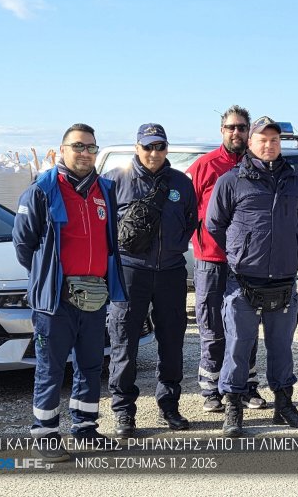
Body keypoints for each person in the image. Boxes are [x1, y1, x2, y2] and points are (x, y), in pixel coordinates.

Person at [13, 123, 127, 460]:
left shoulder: (104, 190)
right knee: (50, 369)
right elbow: (23, 244)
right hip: (56, 301)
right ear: (62, 150)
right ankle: (46, 434)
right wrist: (47, 278)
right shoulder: (42, 190)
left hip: (93, 296)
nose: (85, 153)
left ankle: (85, 427)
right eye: (78, 146)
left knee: (91, 366)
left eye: (91, 147)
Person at [207, 116, 298, 437]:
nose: (269, 145)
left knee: (281, 347)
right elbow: (214, 224)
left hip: (283, 280)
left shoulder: (295, 182)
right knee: (238, 346)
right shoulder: (231, 181)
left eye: (274, 140)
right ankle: (233, 408)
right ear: (250, 143)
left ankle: (284, 405)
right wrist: (242, 252)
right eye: (262, 140)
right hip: (243, 280)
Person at [103, 123, 197, 437]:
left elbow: (190, 220)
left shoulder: (181, 183)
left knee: (172, 342)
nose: (154, 153)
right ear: (137, 147)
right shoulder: (115, 181)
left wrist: (174, 246)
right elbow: (103, 227)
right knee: (124, 343)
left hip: (170, 272)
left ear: (166, 148)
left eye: (160, 146)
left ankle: (169, 405)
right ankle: (123, 412)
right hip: (131, 273)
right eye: (148, 146)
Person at [186, 106, 270, 414]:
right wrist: (200, 240)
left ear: (249, 132)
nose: (236, 132)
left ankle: (246, 386)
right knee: (212, 326)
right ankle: (211, 389)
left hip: (247, 264)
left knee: (246, 327)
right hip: (212, 261)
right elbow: (187, 211)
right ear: (222, 130)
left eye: (242, 127)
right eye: (231, 127)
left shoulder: (258, 166)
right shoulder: (204, 166)